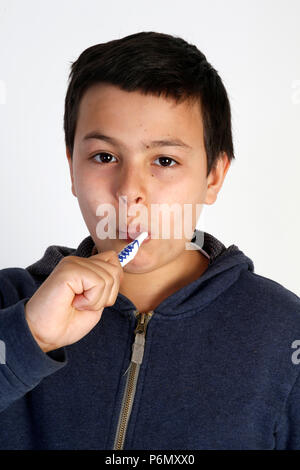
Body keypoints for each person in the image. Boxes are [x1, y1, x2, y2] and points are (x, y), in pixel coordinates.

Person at [0, 31, 300, 450]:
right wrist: (28, 336)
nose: (128, 192)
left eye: (164, 160)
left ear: (213, 176)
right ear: (72, 168)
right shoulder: (9, 302)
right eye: (104, 157)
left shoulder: (286, 331)